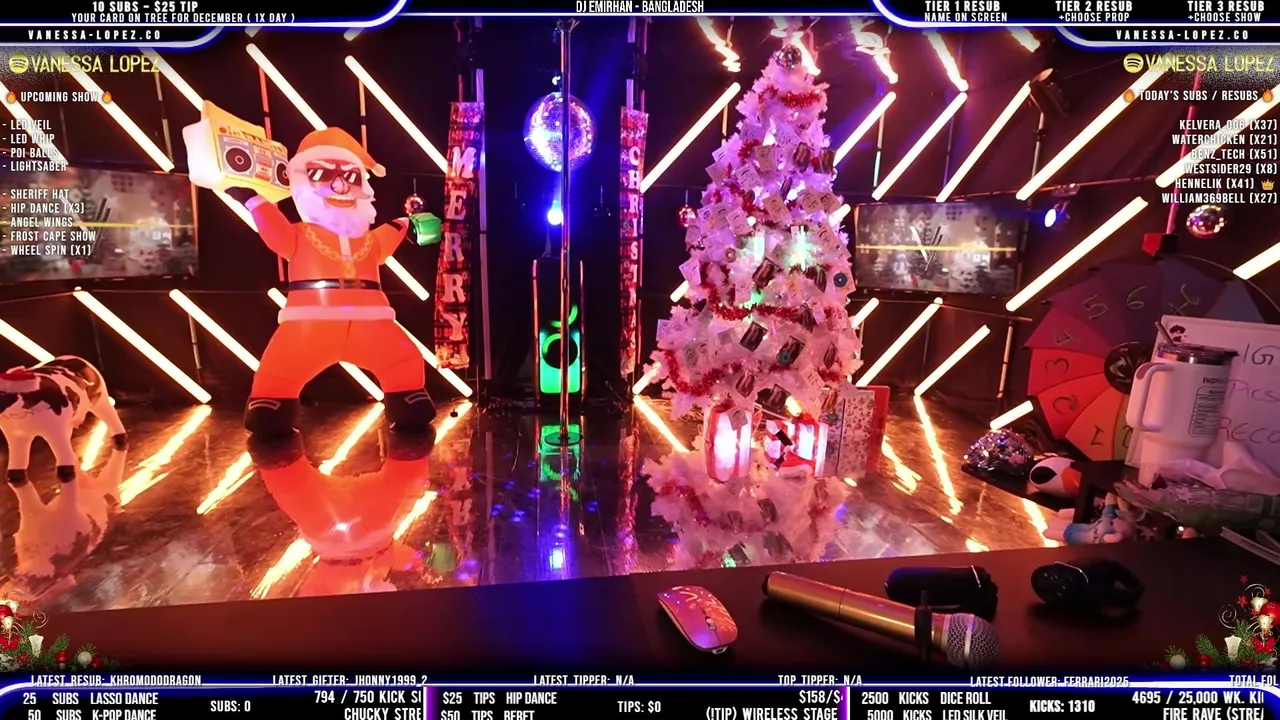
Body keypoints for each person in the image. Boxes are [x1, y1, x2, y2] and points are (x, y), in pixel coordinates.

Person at [219, 127, 441, 437]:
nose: (339, 185)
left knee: (403, 359)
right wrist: (253, 200)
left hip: (373, 324)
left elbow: (392, 232)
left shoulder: (368, 239)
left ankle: (407, 396)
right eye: (322, 174)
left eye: (350, 177)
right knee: (281, 369)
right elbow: (276, 232)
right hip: (308, 325)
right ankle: (272, 403)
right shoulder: (300, 234)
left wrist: (411, 224)